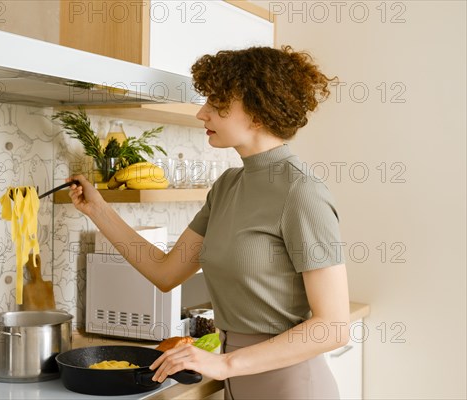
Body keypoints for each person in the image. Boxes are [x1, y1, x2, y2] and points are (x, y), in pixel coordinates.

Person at [67, 45, 349, 400]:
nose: (202, 113)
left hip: (290, 387)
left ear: (257, 113)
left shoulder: (300, 192)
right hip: (237, 382)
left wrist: (224, 365)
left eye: (217, 103)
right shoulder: (229, 185)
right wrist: (99, 210)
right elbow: (165, 271)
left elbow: (333, 327)